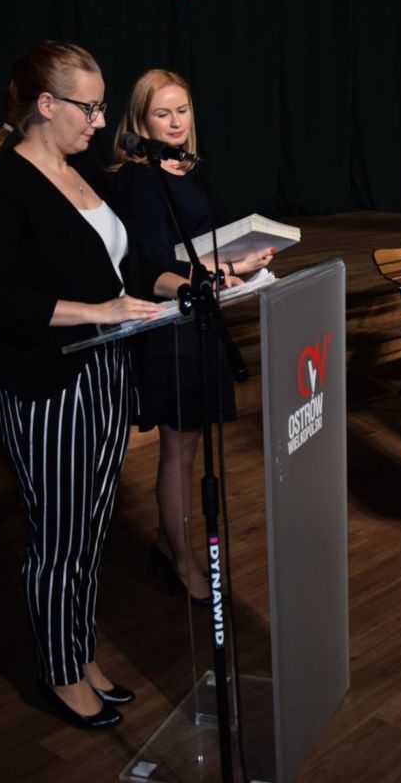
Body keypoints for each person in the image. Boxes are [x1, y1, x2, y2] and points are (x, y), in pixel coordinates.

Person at [0, 42, 188, 730]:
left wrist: (198, 280)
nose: (100, 120)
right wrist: (99, 312)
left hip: (105, 370)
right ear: (44, 104)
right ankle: (59, 672)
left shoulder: (83, 170)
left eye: (101, 106)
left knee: (91, 528)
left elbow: (125, 267)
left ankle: (79, 652)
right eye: (88, 108)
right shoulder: (2, 182)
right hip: (48, 381)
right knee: (60, 536)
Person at [110, 69, 275, 604]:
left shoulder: (190, 169)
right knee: (178, 450)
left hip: (202, 319)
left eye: (182, 110)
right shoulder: (139, 179)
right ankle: (181, 563)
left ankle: (169, 543)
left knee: (192, 446)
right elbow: (152, 266)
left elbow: (198, 248)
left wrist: (239, 264)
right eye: (162, 113)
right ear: (140, 120)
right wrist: (209, 279)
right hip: (170, 325)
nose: (176, 122)